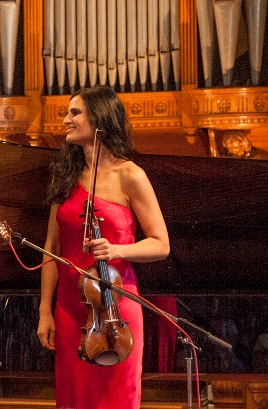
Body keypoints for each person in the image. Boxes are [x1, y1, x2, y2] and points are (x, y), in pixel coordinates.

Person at [36, 85, 169, 408]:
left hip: (114, 308)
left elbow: (161, 244)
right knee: (74, 399)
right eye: (67, 113)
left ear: (99, 119)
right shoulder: (65, 176)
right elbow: (51, 249)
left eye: (75, 112)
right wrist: (44, 310)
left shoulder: (130, 175)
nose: (66, 119)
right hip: (69, 310)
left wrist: (118, 250)